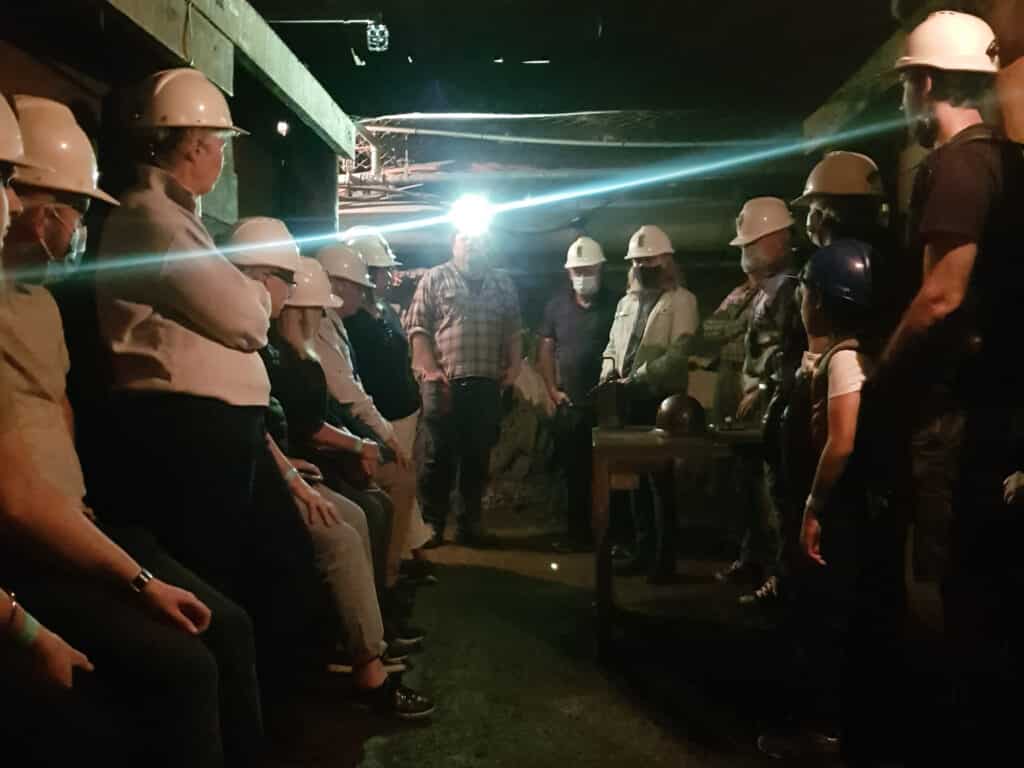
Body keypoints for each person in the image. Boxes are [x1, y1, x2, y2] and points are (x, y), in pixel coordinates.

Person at [0, 94, 262, 766]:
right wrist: (133, 584)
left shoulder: (41, 306)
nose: (74, 228)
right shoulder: (155, 223)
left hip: (74, 527)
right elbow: (18, 496)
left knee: (227, 625)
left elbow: (54, 416)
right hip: (29, 548)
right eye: (72, 208)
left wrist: (88, 519)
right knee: (183, 666)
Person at [91, 68, 329, 741]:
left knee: (241, 583)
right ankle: (225, 739)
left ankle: (249, 726)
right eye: (218, 144)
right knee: (210, 592)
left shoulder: (170, 220)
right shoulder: (154, 220)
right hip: (182, 437)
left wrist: (243, 295)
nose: (222, 158)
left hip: (206, 435)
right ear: (193, 144)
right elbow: (248, 320)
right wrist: (250, 294)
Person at [872, 11, 1024, 758]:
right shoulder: (1005, 157)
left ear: (925, 82)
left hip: (954, 412)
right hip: (992, 408)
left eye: (906, 83)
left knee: (943, 575)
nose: (902, 98)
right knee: (979, 582)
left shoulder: (959, 164)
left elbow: (943, 292)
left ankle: (948, 737)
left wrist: (880, 371)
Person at [226, 220, 433, 719]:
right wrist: (310, 464)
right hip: (252, 478)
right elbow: (278, 423)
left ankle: (365, 637)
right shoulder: (256, 343)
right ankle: (367, 660)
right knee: (344, 528)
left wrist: (298, 467)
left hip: (282, 467)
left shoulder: (279, 345)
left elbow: (272, 424)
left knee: (363, 513)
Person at [797, 239, 904, 763]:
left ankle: (826, 734)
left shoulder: (843, 361)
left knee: (830, 616)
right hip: (861, 503)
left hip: (841, 506)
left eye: (806, 290)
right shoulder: (863, 348)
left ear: (821, 298)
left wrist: (813, 506)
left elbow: (840, 441)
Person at [405, 228, 523, 547]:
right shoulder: (435, 278)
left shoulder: (502, 283)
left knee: (477, 457)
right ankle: (433, 524)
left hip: (485, 384)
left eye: (479, 239)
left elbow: (513, 330)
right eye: (465, 238)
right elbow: (418, 327)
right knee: (437, 457)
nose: (472, 244)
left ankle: (470, 524)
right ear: (454, 243)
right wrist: (429, 370)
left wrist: (513, 368)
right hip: (444, 382)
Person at [714, 198, 804, 606]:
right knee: (750, 490)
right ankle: (755, 561)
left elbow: (789, 350)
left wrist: (765, 388)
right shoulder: (759, 293)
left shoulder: (790, 291)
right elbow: (712, 335)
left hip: (773, 408)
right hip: (752, 410)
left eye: (752, 244)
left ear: (778, 240)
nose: (746, 253)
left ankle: (780, 581)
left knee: (775, 500)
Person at [600, 225, 698, 582]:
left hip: (662, 401)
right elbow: (612, 347)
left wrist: (638, 377)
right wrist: (608, 375)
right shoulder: (626, 303)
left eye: (650, 260)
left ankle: (664, 558)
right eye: (638, 261)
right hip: (628, 400)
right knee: (636, 479)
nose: (644, 266)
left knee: (660, 482)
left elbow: (678, 355)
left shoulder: (682, 301)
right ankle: (642, 551)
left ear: (667, 261)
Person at [346, 231, 436, 572]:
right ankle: (400, 559)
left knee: (405, 483)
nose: (390, 277)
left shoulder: (384, 311)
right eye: (383, 271)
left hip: (404, 412)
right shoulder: (353, 322)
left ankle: (411, 551)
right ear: (366, 274)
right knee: (398, 484)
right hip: (382, 417)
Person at [538, 236, 617, 551]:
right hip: (570, 404)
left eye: (589, 270)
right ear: (569, 273)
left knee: (612, 475)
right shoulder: (556, 306)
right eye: (578, 271)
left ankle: (613, 536)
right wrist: (552, 389)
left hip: (606, 406)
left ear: (600, 269)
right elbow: (545, 346)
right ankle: (577, 535)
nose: (583, 276)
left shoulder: (617, 303)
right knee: (574, 474)